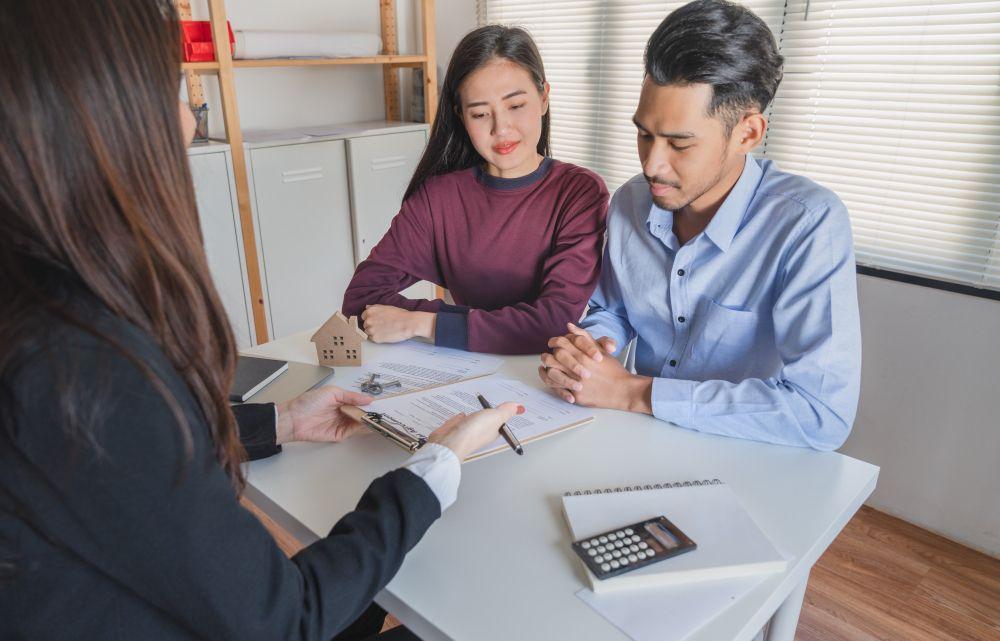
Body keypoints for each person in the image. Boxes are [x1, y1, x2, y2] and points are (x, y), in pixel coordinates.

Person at [0, 2, 520, 639]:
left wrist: (280, 421)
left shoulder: (41, 311)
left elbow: (125, 467)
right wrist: (435, 464)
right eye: (175, 94)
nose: (189, 123)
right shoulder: (84, 363)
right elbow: (284, 620)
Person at [538, 0, 862, 451]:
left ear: (748, 133)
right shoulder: (631, 201)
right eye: (644, 134)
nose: (652, 165)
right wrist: (586, 356)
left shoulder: (808, 225)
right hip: (638, 440)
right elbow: (614, 310)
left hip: (747, 454)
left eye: (679, 144)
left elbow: (822, 414)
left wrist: (634, 392)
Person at [342, 25, 609, 355]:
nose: (501, 129)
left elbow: (551, 323)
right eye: (481, 114)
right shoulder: (438, 197)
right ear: (461, 116)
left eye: (515, 105)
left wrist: (424, 323)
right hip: (463, 367)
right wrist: (467, 326)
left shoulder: (579, 193)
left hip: (542, 373)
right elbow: (360, 298)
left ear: (543, 98)